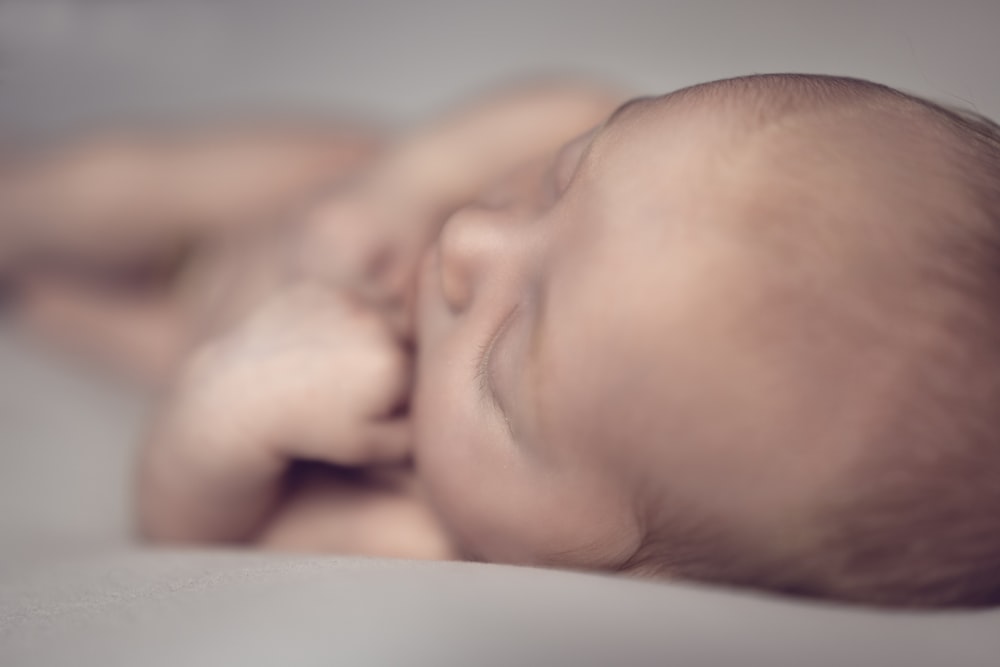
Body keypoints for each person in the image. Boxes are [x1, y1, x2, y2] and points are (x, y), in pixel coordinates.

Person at [4, 74, 1000, 608]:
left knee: (66, 317)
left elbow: (195, 538)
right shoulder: (596, 203)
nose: (471, 237)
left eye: (501, 356)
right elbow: (563, 103)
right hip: (293, 195)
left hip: (205, 344)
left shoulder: (420, 533)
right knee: (103, 186)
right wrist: (392, 190)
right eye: (562, 181)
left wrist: (222, 418)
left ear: (591, 565)